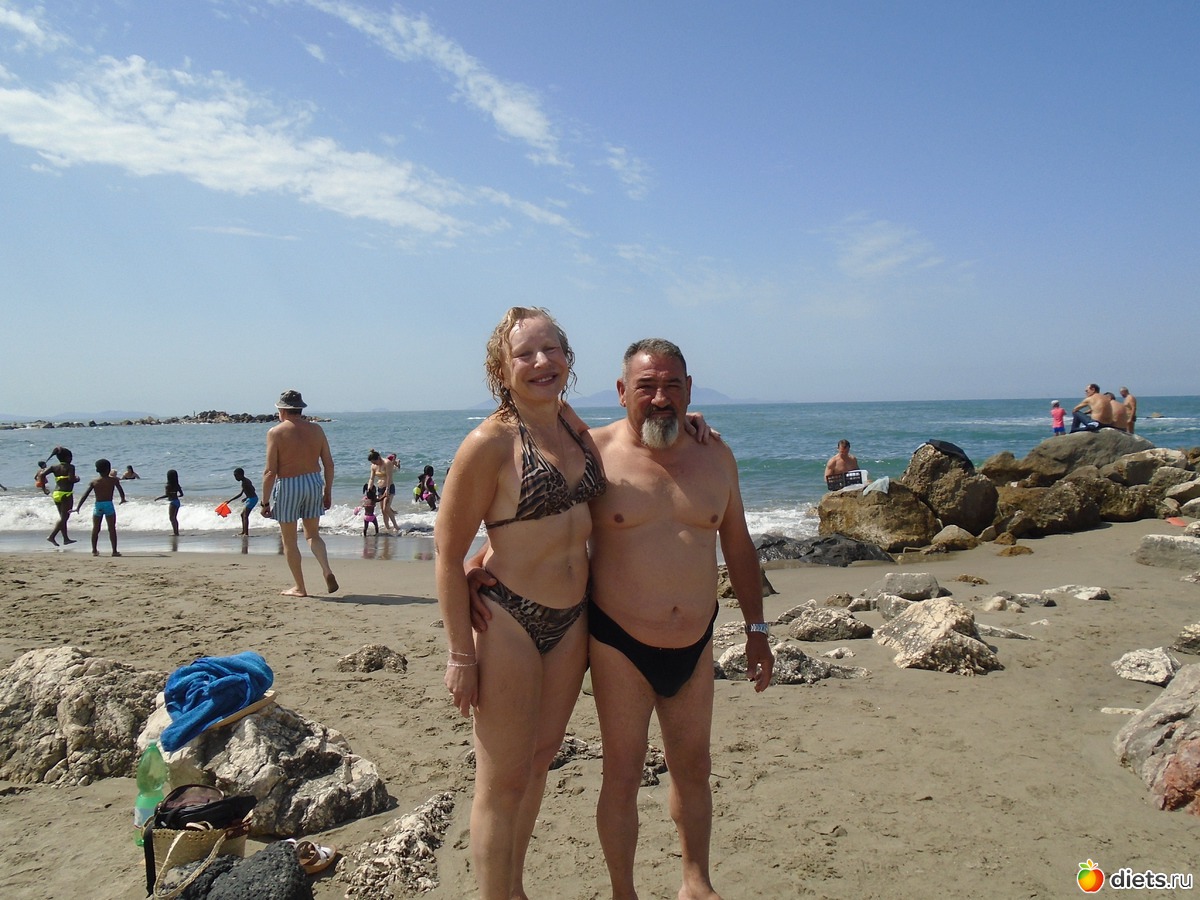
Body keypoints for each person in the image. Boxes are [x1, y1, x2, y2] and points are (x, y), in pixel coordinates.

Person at [580, 338, 774, 900]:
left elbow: (738, 546)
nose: (660, 398)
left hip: (696, 639)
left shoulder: (716, 455)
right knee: (622, 771)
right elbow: (544, 523)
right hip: (618, 641)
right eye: (647, 386)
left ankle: (696, 882)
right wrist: (480, 558)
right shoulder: (592, 453)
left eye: (672, 385)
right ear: (622, 392)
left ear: (689, 390)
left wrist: (758, 631)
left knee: (694, 767)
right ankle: (624, 892)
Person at [435, 307, 606, 900]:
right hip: (508, 618)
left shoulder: (573, 427)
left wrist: (686, 422)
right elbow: (446, 552)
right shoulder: (489, 442)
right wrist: (461, 654)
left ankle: (513, 887)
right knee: (501, 781)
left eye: (551, 349)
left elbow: (633, 440)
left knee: (538, 764)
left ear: (567, 358)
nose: (541, 362)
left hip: (572, 618)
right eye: (525, 354)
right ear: (501, 370)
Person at [261, 389, 339, 598]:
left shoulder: (275, 432)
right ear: (300, 409)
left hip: (289, 484)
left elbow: (270, 472)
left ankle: (300, 587)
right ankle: (326, 569)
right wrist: (327, 491)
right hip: (313, 482)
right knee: (313, 535)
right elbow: (329, 464)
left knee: (289, 541)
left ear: (282, 410)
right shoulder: (317, 429)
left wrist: (265, 502)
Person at [75, 458, 126, 556]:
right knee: (112, 528)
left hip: (98, 505)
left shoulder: (94, 482)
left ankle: (94, 550)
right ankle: (114, 551)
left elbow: (85, 495)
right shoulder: (114, 480)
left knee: (96, 528)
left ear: (97, 470)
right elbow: (120, 490)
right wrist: (122, 499)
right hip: (108, 505)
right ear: (109, 469)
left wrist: (78, 507)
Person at [44, 447, 79, 546]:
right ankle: (52, 536)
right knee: (65, 517)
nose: (71, 459)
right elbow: (71, 480)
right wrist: (77, 479)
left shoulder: (54, 467)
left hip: (56, 493)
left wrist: (44, 488)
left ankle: (66, 539)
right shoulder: (70, 467)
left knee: (62, 518)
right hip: (66, 494)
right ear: (67, 458)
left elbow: (41, 475)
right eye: (71, 457)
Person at [367, 450, 401, 532]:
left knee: (386, 508)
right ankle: (387, 527)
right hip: (380, 488)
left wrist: (387, 489)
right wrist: (369, 489)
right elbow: (371, 478)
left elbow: (389, 477)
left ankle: (396, 527)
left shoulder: (387, 463)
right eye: (373, 463)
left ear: (379, 458)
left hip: (389, 487)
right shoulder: (373, 466)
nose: (374, 464)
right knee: (383, 510)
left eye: (375, 462)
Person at [225, 467, 259, 536]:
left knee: (245, 516)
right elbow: (253, 489)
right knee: (242, 515)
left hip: (253, 499)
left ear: (241, 475)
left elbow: (240, 494)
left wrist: (230, 500)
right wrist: (247, 497)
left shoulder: (245, 483)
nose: (235, 478)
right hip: (250, 498)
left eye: (236, 476)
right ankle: (243, 532)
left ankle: (246, 533)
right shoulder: (246, 481)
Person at [156, 469, 184, 536]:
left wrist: (158, 498)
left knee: (171, 518)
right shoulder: (177, 485)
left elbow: (167, 495)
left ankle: (175, 533)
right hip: (177, 501)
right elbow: (181, 494)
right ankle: (176, 532)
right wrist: (175, 495)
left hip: (173, 502)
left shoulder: (168, 486)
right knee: (174, 518)